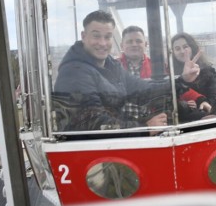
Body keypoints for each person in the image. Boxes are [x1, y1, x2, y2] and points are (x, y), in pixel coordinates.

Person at [52, 10, 200, 132]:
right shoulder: (74, 73)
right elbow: (94, 123)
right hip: (87, 158)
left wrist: (182, 80)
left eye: (108, 36)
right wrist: (145, 128)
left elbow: (143, 90)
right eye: (96, 36)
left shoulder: (111, 66)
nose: (102, 43)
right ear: (84, 36)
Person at [170, 32, 216, 117]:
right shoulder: (169, 74)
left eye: (185, 47)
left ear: (192, 48)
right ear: (173, 53)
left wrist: (204, 104)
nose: (182, 51)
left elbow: (215, 97)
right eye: (177, 48)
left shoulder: (209, 71)